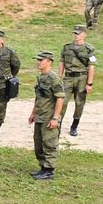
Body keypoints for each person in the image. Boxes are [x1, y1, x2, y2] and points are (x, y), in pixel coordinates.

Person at [29, 51, 65, 180]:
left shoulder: (54, 78)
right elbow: (39, 97)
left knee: (49, 143)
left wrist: (55, 118)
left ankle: (49, 170)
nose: (38, 62)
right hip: (40, 115)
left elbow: (60, 98)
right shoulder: (41, 77)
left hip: (49, 117)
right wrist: (33, 112)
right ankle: (43, 167)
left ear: (49, 62)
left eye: (41, 60)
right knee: (38, 143)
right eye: (38, 60)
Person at [59, 25, 97, 136]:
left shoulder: (89, 49)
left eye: (79, 33)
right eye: (75, 33)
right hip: (68, 78)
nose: (76, 36)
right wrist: (59, 77)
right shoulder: (67, 47)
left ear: (84, 34)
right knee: (62, 101)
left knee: (79, 102)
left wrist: (89, 83)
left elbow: (91, 66)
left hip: (82, 78)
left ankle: (74, 125)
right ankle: (58, 122)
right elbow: (62, 62)